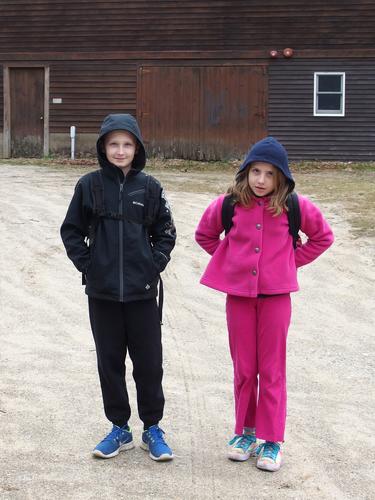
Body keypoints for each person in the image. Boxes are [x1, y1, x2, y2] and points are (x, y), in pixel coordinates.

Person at [195, 137, 334, 472]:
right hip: (239, 300)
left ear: (281, 178)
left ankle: (272, 441)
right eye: (255, 171)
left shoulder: (294, 206)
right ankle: (245, 433)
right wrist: (232, 263)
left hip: (276, 300)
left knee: (271, 371)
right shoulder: (228, 204)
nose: (261, 180)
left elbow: (323, 237)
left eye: (269, 174)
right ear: (246, 172)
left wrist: (288, 262)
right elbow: (205, 235)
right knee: (245, 369)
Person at [61, 114, 176, 461]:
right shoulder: (89, 186)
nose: (120, 150)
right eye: (114, 144)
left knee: (148, 364)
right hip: (103, 294)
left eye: (127, 144)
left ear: (137, 148)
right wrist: (90, 265)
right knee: (109, 362)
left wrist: (151, 265)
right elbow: (70, 231)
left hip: (142, 294)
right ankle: (119, 429)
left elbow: (166, 233)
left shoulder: (151, 187)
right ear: (103, 147)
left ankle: (152, 428)